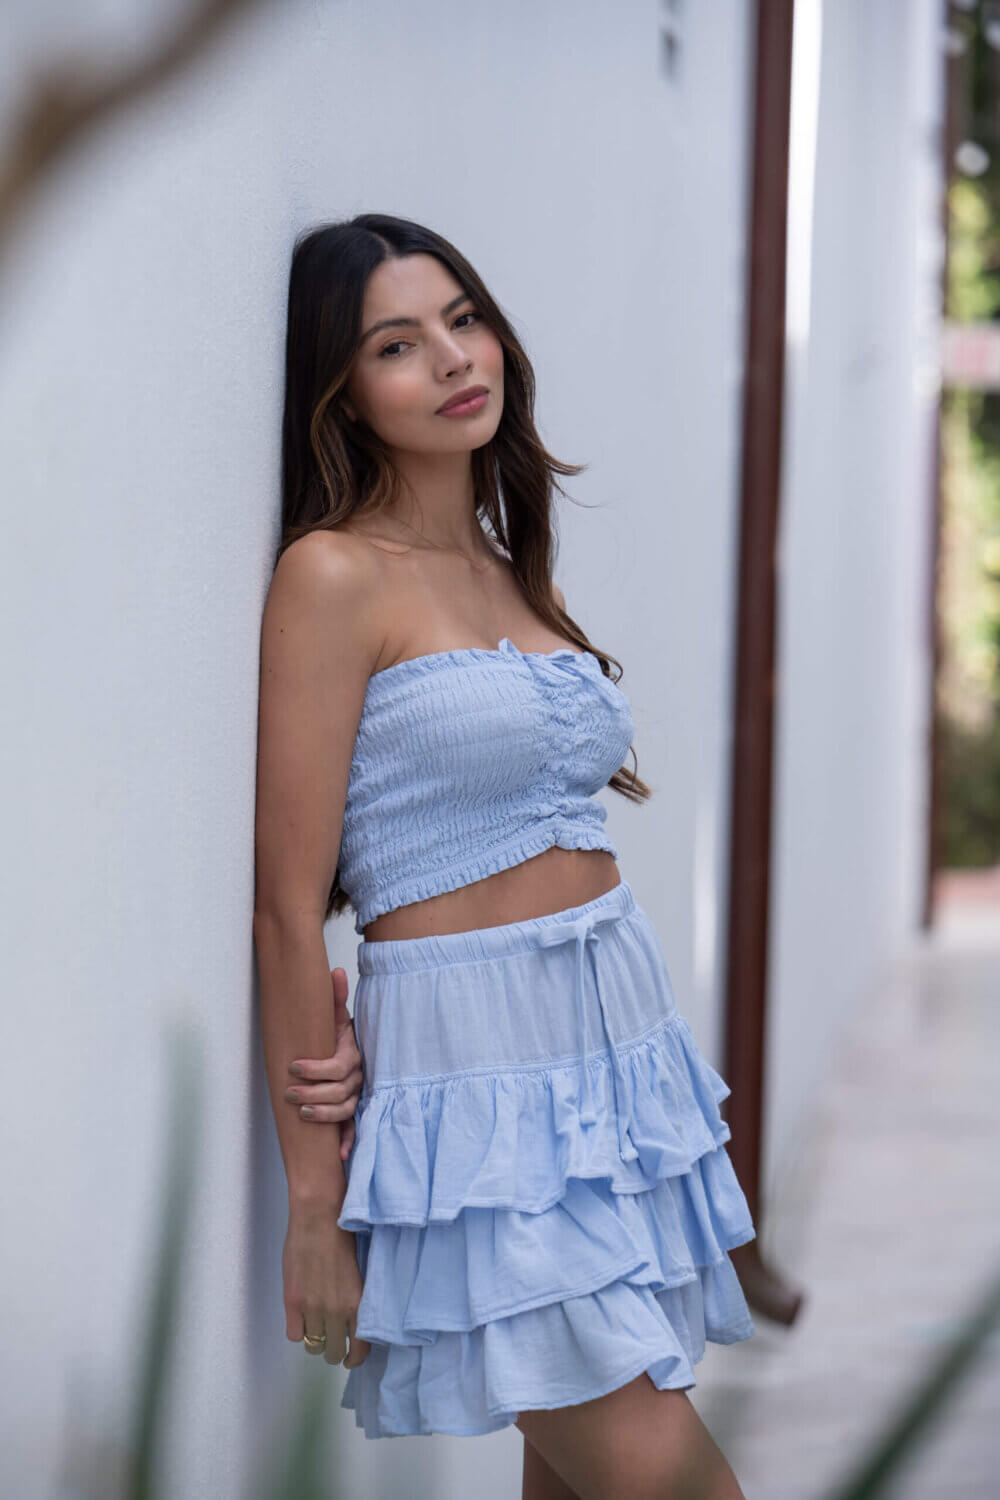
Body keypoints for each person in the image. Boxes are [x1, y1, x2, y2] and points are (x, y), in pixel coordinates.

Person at [253, 212, 756, 1498]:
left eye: (462, 320)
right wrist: (317, 1200)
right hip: (470, 1088)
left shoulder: (502, 565)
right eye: (397, 344)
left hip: (613, 1052)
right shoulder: (331, 577)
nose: (452, 358)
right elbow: (283, 906)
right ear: (343, 392)